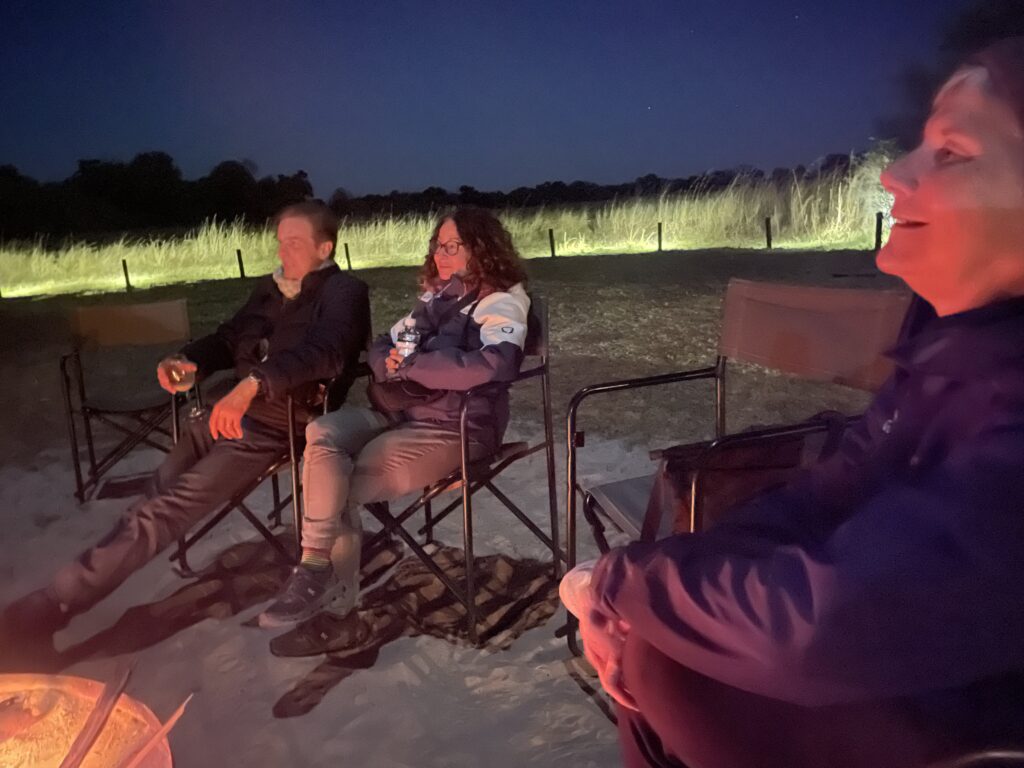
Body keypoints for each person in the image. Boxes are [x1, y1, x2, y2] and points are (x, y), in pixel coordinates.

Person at [576, 37, 1024, 768]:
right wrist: (640, 587)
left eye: (952, 152)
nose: (894, 172)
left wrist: (620, 585)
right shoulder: (949, 345)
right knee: (666, 655)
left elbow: (825, 623)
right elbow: (832, 490)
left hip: (970, 720)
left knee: (671, 667)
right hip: (896, 677)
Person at [1, 200, 371, 668]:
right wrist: (188, 360)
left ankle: (48, 609)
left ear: (325, 248)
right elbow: (227, 338)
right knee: (153, 499)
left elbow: (327, 351)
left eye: (294, 243)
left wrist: (253, 385)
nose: (283, 251)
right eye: (280, 242)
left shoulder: (344, 291)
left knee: (163, 511)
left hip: (280, 422)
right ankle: (62, 603)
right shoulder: (270, 289)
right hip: (224, 412)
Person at [258, 206, 529, 632]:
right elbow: (384, 344)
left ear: (482, 249)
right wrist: (391, 364)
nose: (440, 254)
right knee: (321, 431)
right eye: (438, 245)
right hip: (400, 412)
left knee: (334, 485)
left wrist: (414, 365)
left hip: (455, 427)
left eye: (453, 246)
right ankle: (316, 569)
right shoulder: (438, 299)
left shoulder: (500, 302)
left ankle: (336, 604)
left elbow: (495, 363)